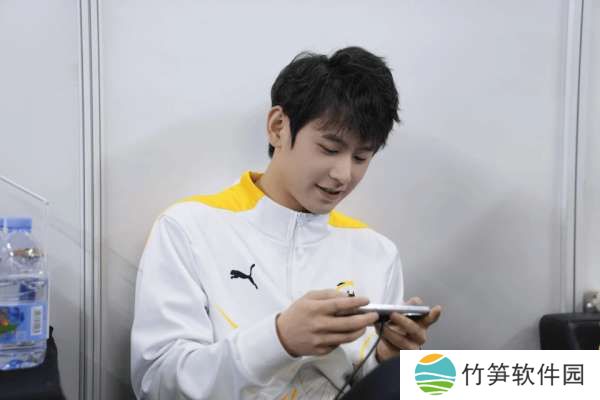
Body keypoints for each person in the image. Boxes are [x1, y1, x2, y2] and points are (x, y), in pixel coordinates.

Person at [130, 46, 442, 400]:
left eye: (361, 157)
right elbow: (157, 385)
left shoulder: (377, 252)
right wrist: (279, 339)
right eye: (329, 148)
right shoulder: (188, 229)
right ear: (278, 127)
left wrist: (386, 361)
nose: (343, 174)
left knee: (471, 383)